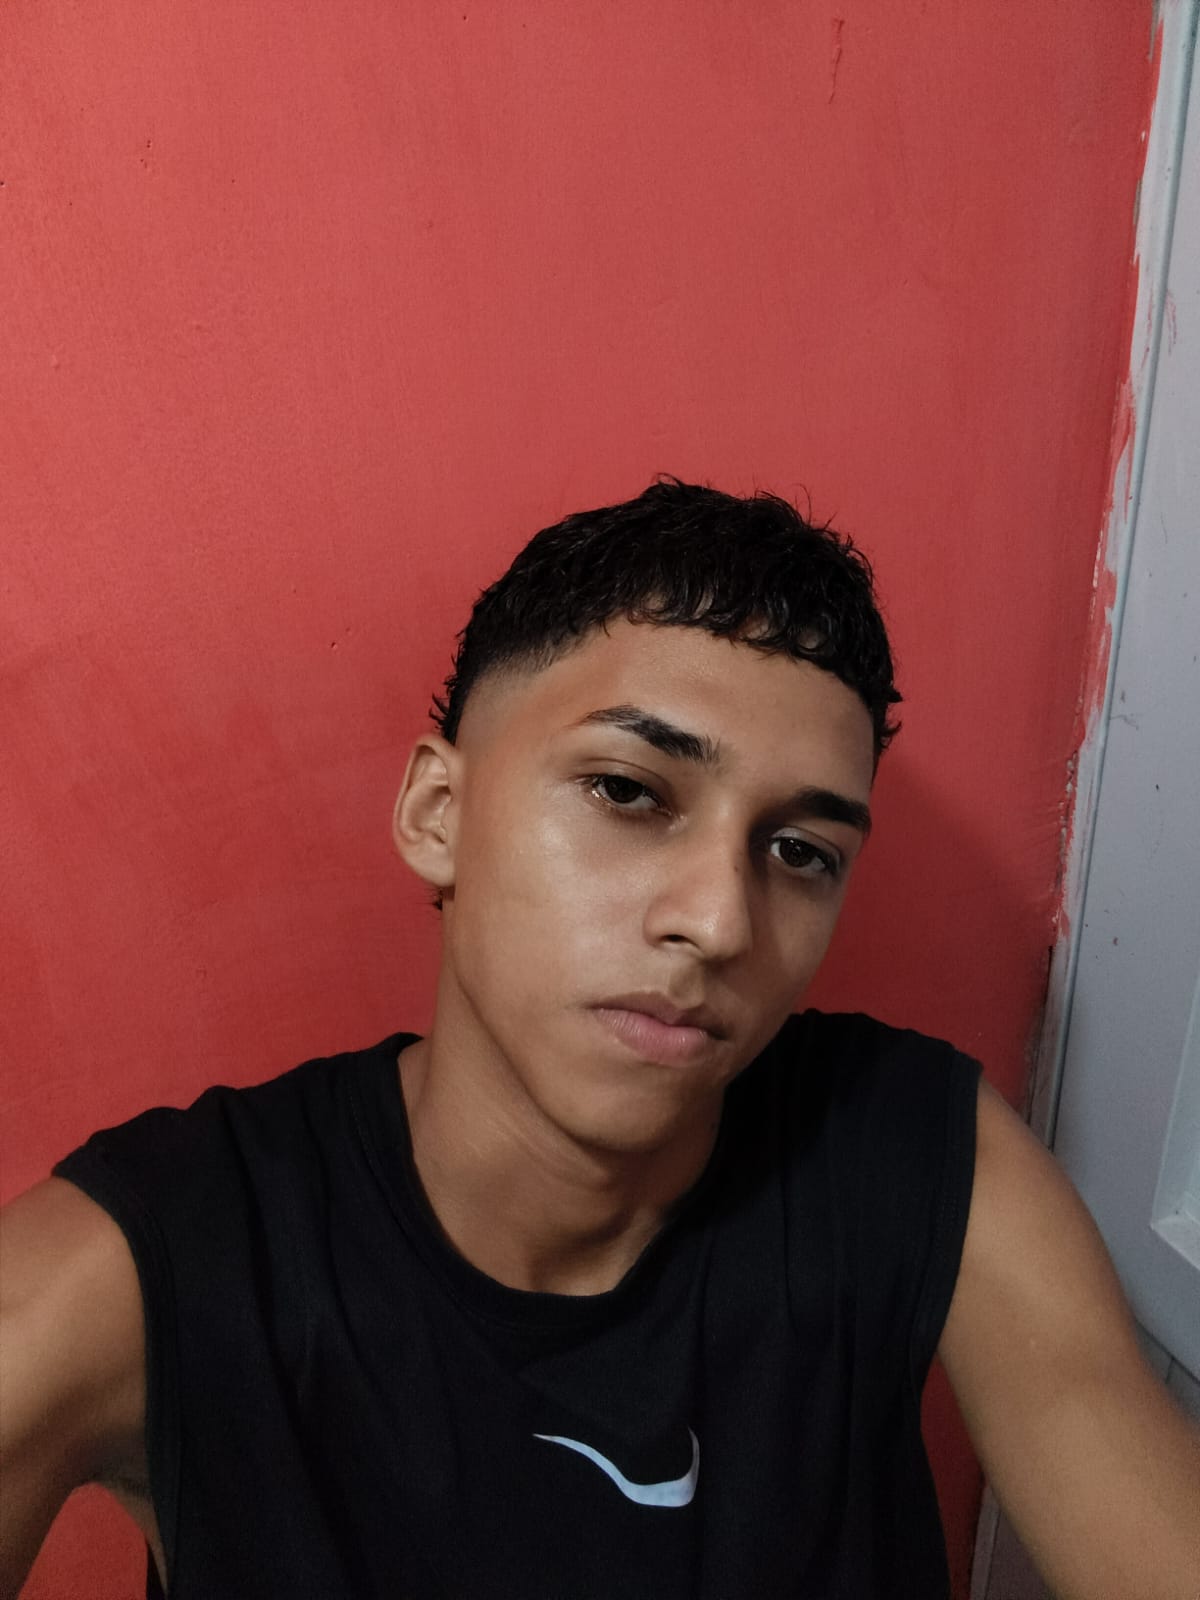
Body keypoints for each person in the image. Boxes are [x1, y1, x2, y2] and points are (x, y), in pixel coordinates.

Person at [1, 478, 1197, 1599]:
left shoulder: (913, 1156)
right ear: (438, 813)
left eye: (801, 852)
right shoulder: (148, 1264)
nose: (720, 922)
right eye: (629, 791)